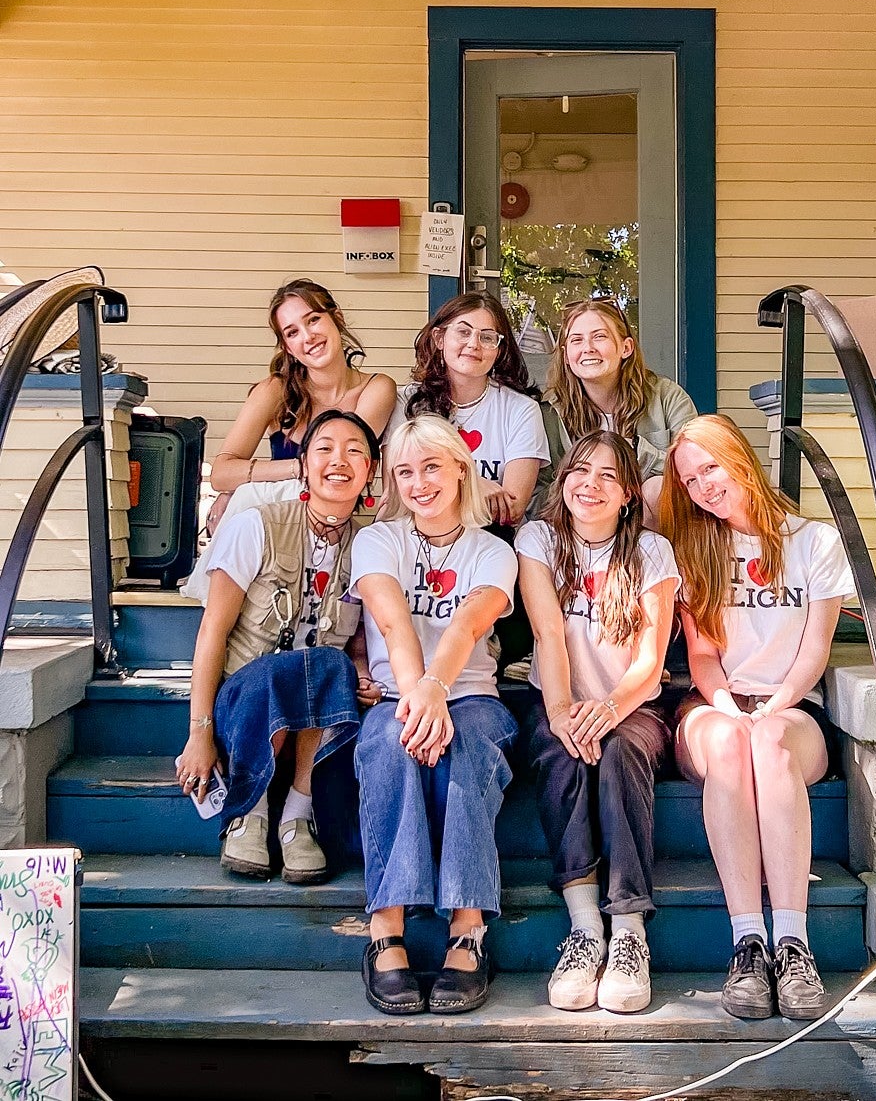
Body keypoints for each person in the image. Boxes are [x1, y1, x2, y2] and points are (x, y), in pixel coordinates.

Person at [656, 414, 854, 1022]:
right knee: (731, 745)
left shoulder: (813, 542)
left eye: (710, 468)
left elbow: (815, 650)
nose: (703, 487)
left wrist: (776, 704)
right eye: (689, 481)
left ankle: (792, 944)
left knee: (767, 742)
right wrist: (725, 707)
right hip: (715, 702)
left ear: (739, 456)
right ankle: (748, 942)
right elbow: (704, 657)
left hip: (792, 706)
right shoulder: (695, 548)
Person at [350, 415, 518, 1016]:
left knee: (468, 749)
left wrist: (435, 689)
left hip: (471, 697)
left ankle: (466, 930)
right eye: (405, 471)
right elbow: (392, 618)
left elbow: (473, 620)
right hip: (398, 697)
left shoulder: (493, 550)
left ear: (460, 470)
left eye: (431, 467)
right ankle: (386, 933)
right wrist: (417, 693)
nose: (419, 482)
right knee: (388, 747)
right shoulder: (377, 540)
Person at [175, 409, 382, 884]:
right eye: (325, 448)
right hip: (246, 701)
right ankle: (250, 811)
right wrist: (199, 730)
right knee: (274, 671)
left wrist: (362, 668)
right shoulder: (257, 525)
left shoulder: (372, 545)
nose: (339, 460)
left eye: (355, 451)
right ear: (304, 463)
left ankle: (297, 814)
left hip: (316, 709)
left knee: (330, 665)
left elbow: (356, 639)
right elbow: (213, 633)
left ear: (370, 470)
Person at [516, 432, 680, 1014]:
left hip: (631, 704)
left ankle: (629, 930)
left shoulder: (653, 552)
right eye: (579, 471)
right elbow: (548, 633)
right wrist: (563, 713)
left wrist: (607, 710)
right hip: (559, 695)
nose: (590, 484)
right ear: (562, 480)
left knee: (618, 753)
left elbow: (649, 661)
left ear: (628, 495)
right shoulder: (538, 538)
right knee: (561, 754)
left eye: (607, 476)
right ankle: (586, 931)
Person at [206, 278, 395, 526]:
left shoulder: (376, 388)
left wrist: (248, 478)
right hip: (270, 523)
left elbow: (345, 464)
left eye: (313, 319)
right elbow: (221, 474)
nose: (308, 337)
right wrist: (297, 468)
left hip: (330, 524)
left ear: (337, 318)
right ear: (288, 347)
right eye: (292, 332)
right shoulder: (275, 391)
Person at [384, 292, 549, 527]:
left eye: (487, 337)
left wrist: (440, 490)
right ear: (439, 338)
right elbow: (398, 494)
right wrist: (476, 484)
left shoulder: (521, 410)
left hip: (493, 541)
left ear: (499, 350)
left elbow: (511, 510)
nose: (473, 344)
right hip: (417, 539)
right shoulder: (408, 403)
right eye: (463, 331)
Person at [544, 299, 696, 487]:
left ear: (626, 348)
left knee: (655, 488)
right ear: (566, 356)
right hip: (583, 511)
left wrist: (634, 450)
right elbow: (539, 492)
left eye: (599, 336)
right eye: (577, 340)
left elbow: (694, 471)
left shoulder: (668, 397)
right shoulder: (550, 410)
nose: (588, 348)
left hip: (650, 510)